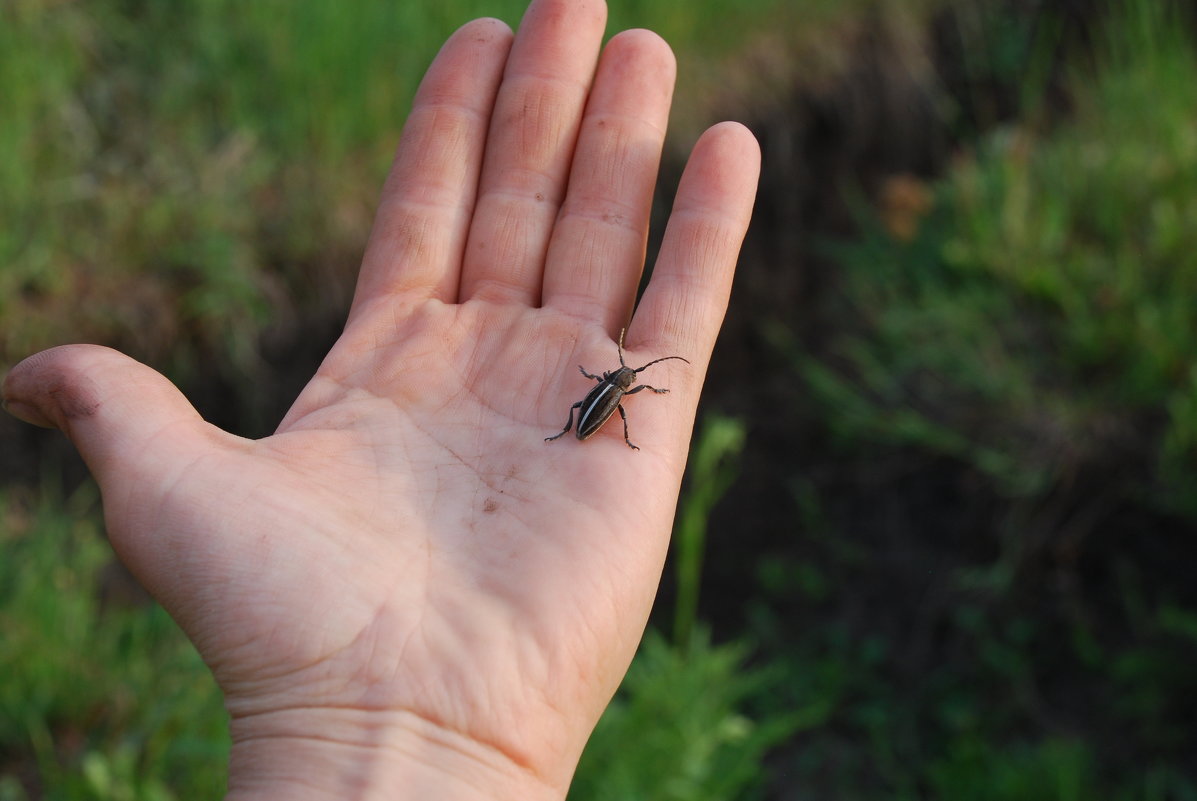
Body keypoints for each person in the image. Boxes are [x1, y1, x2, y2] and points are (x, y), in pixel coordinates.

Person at [1, 0, 760, 796]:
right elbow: (604, 398)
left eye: (625, 385)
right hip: (568, 443)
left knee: (596, 412)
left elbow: (602, 398)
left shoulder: (608, 386)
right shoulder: (608, 384)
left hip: (569, 433)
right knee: (597, 412)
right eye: (626, 381)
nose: (623, 386)